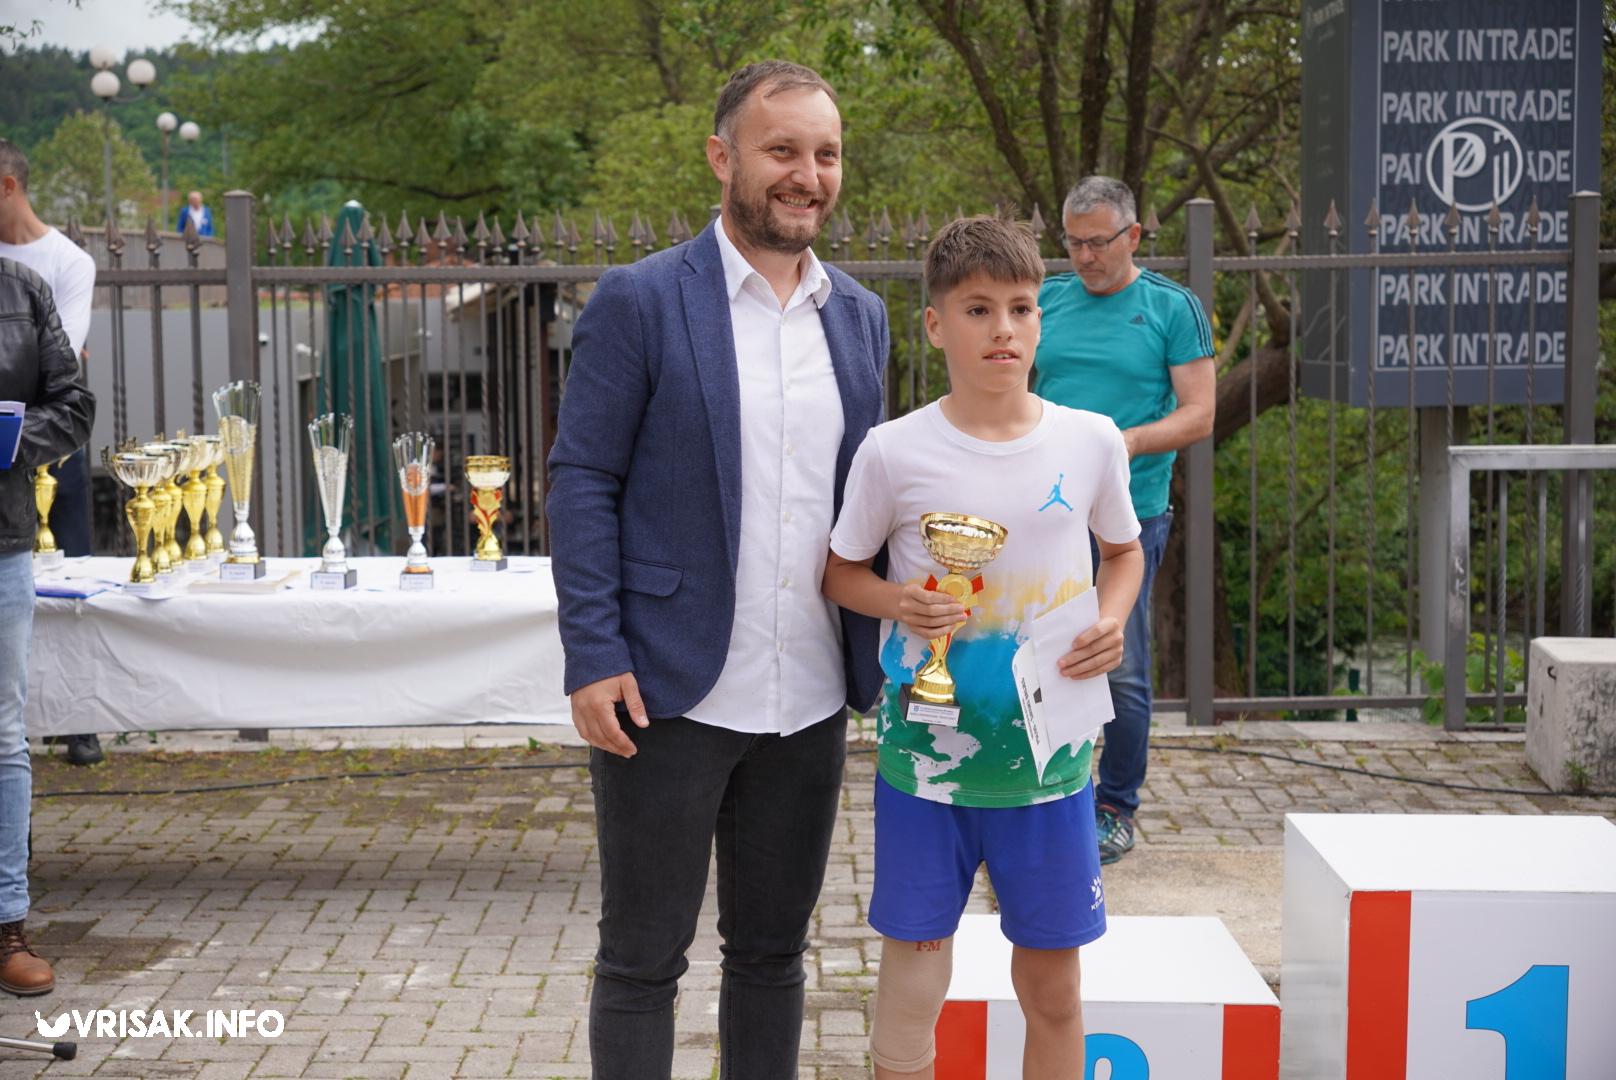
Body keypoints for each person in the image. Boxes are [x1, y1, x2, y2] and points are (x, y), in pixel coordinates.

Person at [546, 60, 888, 1080]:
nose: (806, 175)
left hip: (813, 697)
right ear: (722, 156)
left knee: (773, 958)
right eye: (782, 150)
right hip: (664, 692)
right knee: (643, 962)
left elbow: (870, 503)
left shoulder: (858, 316)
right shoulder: (641, 301)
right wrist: (591, 653)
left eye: (824, 155)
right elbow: (581, 480)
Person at [822, 215, 1144, 1079]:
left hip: (1051, 767)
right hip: (926, 765)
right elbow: (838, 571)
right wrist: (901, 602)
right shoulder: (892, 452)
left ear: (1042, 319)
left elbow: (1125, 553)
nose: (1003, 329)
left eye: (1020, 308)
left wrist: (1111, 618)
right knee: (911, 995)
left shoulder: (1091, 440)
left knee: (1055, 996)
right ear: (935, 325)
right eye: (977, 310)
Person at [1034, 175, 1215, 864]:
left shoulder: (1172, 307)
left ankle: (1115, 805)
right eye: (1073, 243)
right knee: (1042, 654)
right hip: (1045, 515)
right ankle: (1049, 793)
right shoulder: (1047, 300)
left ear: (1133, 236)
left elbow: (1199, 414)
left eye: (1098, 242)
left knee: (1120, 667)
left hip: (1127, 519)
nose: (1083, 256)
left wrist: (1121, 444)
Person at [0, 256, 96, 995]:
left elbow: (73, 405)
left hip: (1, 541)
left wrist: (10, 438)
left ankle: (6, 926)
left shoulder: (23, 289)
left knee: (3, 737)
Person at [0, 138, 102, 767]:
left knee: (71, 586)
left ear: (8, 186)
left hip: (48, 457)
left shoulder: (67, 262)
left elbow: (60, 361)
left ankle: (80, 721)